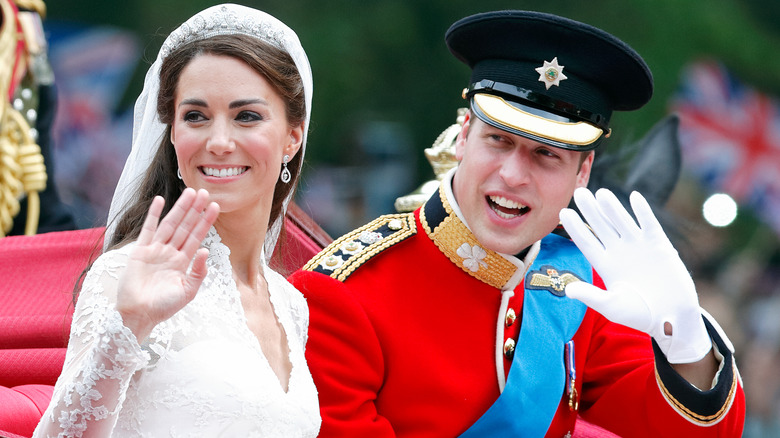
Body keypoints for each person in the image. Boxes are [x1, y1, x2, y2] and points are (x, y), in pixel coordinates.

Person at [289, 10, 745, 437]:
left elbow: (679, 428)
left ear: (582, 172)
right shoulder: (343, 291)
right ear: (464, 134)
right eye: (498, 140)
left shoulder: (580, 287)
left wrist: (685, 343)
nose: (512, 175)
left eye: (547, 154)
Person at [33, 3, 320, 437]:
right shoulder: (124, 275)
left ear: (292, 137)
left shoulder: (292, 307)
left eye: (247, 116)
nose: (219, 141)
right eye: (195, 117)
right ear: (172, 134)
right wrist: (128, 326)